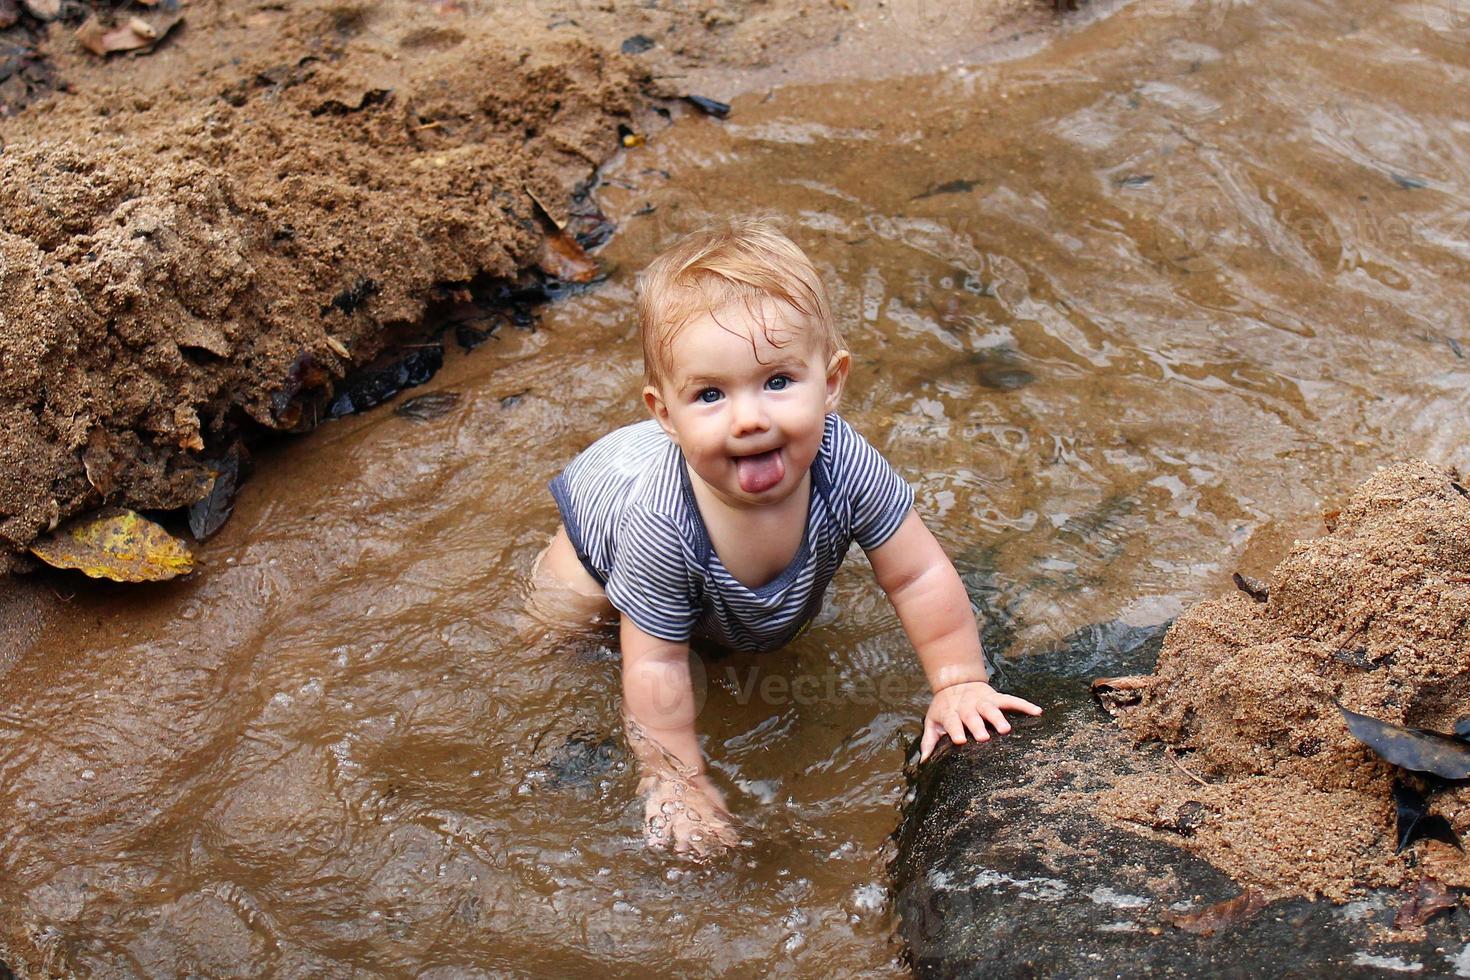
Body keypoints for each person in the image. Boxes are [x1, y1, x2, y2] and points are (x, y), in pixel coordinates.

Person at [534, 215, 1041, 856]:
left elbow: (917, 574)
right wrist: (675, 779)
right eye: (710, 394)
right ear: (665, 413)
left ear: (830, 383)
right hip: (596, 532)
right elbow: (656, 664)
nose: (750, 419)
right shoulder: (661, 523)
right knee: (558, 633)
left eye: (777, 382)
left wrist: (959, 680)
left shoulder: (843, 461)